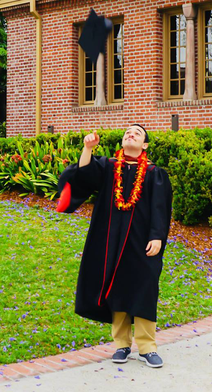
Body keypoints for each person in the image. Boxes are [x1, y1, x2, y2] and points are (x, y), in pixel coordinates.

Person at [56, 124, 172, 368]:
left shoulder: (154, 173)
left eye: (137, 133)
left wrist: (157, 236)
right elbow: (84, 176)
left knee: (144, 288)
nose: (131, 134)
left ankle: (147, 347)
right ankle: (121, 345)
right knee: (116, 288)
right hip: (110, 238)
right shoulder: (109, 167)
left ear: (145, 145)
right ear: (122, 141)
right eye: (128, 132)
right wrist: (88, 148)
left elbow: (161, 209)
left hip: (142, 242)